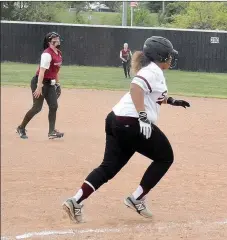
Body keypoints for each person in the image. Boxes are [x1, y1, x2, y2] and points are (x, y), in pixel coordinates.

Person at [62, 36, 191, 223]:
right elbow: (136, 87)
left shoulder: (154, 71)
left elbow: (152, 94)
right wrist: (143, 117)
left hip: (115, 119)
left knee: (108, 168)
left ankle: (76, 201)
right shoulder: (153, 71)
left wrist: (172, 101)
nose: (171, 59)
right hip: (131, 122)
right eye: (169, 55)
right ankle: (137, 198)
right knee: (165, 157)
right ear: (160, 56)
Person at [16, 32, 64, 140]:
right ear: (49, 42)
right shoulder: (47, 54)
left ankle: (51, 132)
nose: (58, 39)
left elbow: (56, 71)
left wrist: (58, 84)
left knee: (53, 106)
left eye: (57, 37)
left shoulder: (58, 53)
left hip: (50, 84)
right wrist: (38, 87)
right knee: (37, 107)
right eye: (55, 38)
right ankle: (21, 127)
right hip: (40, 82)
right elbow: (42, 72)